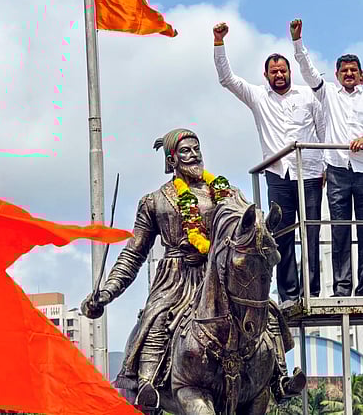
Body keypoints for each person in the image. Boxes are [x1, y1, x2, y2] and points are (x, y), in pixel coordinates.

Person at [80, 128, 303, 410]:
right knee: (156, 319)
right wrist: (107, 293)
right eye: (185, 151)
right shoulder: (155, 201)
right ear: (171, 160)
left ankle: (279, 378)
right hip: (178, 279)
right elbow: (133, 253)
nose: (194, 155)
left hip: (221, 276)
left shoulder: (227, 193)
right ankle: (148, 385)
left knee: (265, 311)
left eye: (197, 149)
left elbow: (249, 228)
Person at [212, 21, 326, 301]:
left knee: (311, 231)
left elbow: (323, 132)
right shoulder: (258, 97)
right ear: (265, 75)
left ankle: (312, 290)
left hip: (310, 172)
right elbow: (227, 79)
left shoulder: (309, 97)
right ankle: (289, 293)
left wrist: (325, 168)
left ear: (289, 72)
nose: (279, 75)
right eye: (273, 71)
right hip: (278, 174)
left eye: (283, 70)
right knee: (282, 233)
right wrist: (219, 42)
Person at [290, 19, 363, 297]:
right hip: (337, 169)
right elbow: (309, 73)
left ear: (361, 74)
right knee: (340, 229)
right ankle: (342, 286)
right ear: (336, 74)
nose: (349, 74)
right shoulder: (328, 96)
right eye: (344, 70)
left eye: (353, 70)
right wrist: (298, 43)